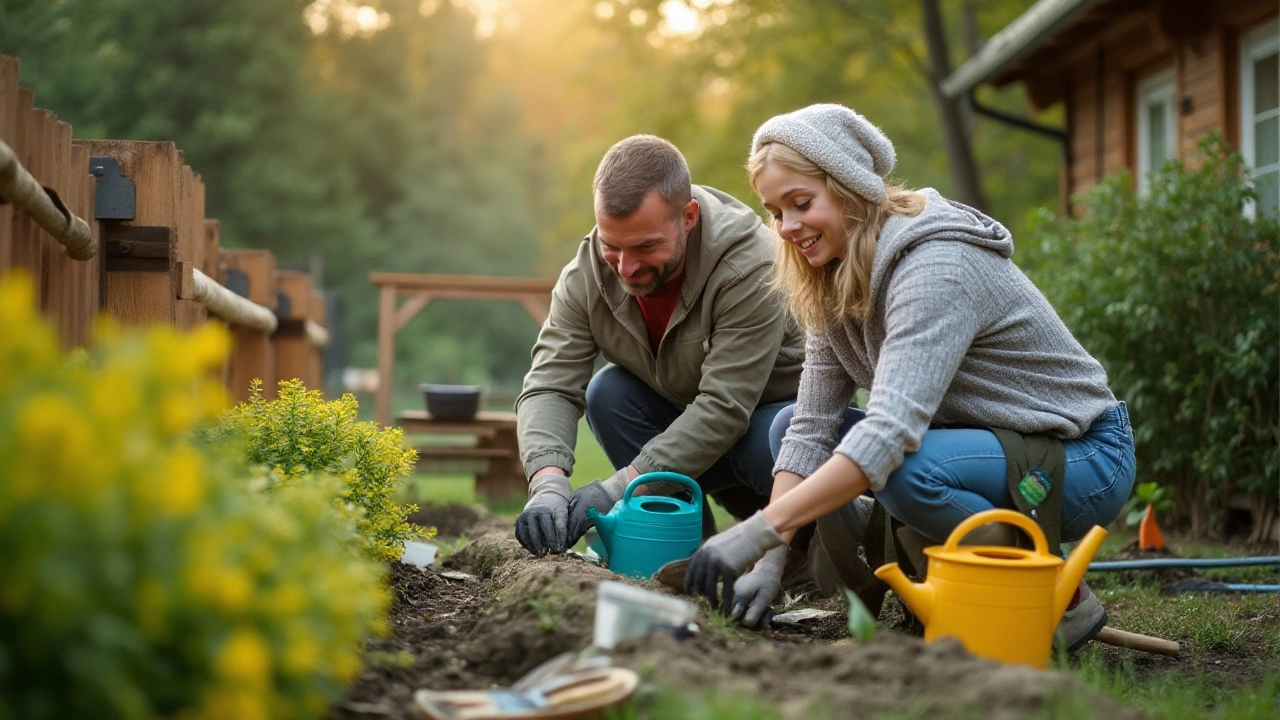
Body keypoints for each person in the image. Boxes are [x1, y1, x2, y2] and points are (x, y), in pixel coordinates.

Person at [684, 104, 1137, 649]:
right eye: (775, 211)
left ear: (850, 189)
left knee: (898, 467)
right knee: (787, 429)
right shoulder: (833, 276)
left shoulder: (934, 266)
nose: (787, 228)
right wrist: (768, 560)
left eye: (802, 204)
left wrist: (755, 530)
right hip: (988, 445)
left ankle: (1059, 599)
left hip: (1083, 454)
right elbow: (811, 427)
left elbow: (889, 435)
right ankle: (927, 582)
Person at [513, 135, 806, 561]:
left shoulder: (751, 265)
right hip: (684, 437)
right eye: (611, 246)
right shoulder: (585, 275)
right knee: (608, 392)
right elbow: (549, 384)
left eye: (645, 247)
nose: (626, 268)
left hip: (770, 447)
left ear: (687, 217)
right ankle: (678, 551)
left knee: (781, 430)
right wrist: (548, 482)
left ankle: (799, 544)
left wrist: (617, 488)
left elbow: (725, 407)